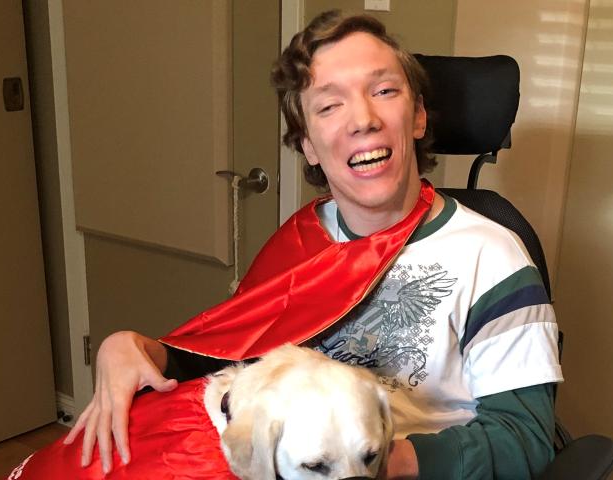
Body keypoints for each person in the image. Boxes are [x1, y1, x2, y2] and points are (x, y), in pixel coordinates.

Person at [64, 10, 563, 479]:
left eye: (384, 90)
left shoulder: (493, 256)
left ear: (417, 118)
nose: (362, 118)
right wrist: (135, 349)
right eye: (329, 105)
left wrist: (371, 460)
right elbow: (229, 355)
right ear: (307, 143)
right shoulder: (301, 241)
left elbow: (526, 439)